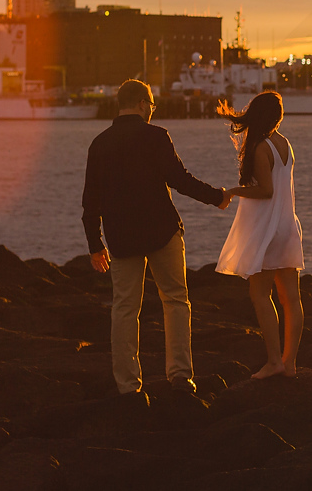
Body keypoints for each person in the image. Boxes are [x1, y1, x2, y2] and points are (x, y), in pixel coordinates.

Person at [82, 79, 236, 400]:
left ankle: (128, 387)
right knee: (176, 301)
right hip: (162, 231)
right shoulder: (156, 137)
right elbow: (179, 180)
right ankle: (180, 377)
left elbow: (90, 201)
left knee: (124, 309)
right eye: (151, 104)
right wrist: (217, 197)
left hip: (121, 239)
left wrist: (95, 245)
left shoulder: (100, 144)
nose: (153, 110)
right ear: (141, 103)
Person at [216, 91, 305, 378]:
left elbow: (265, 191)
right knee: (291, 298)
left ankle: (274, 362)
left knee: (260, 294)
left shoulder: (261, 147)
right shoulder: (285, 144)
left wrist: (232, 191)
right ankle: (289, 363)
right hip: (287, 226)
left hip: (267, 228)